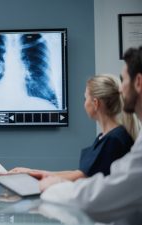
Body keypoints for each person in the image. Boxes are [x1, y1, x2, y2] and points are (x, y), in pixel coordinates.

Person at [40, 46, 142, 224]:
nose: (120, 90)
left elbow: (97, 197)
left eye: (123, 79)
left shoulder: (115, 138)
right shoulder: (111, 137)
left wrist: (53, 187)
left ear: (138, 82)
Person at [8, 74, 140, 181]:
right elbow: (81, 173)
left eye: (85, 98)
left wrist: (37, 176)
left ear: (95, 103)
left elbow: (81, 178)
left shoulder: (114, 140)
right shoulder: (107, 137)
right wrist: (33, 172)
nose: (84, 104)